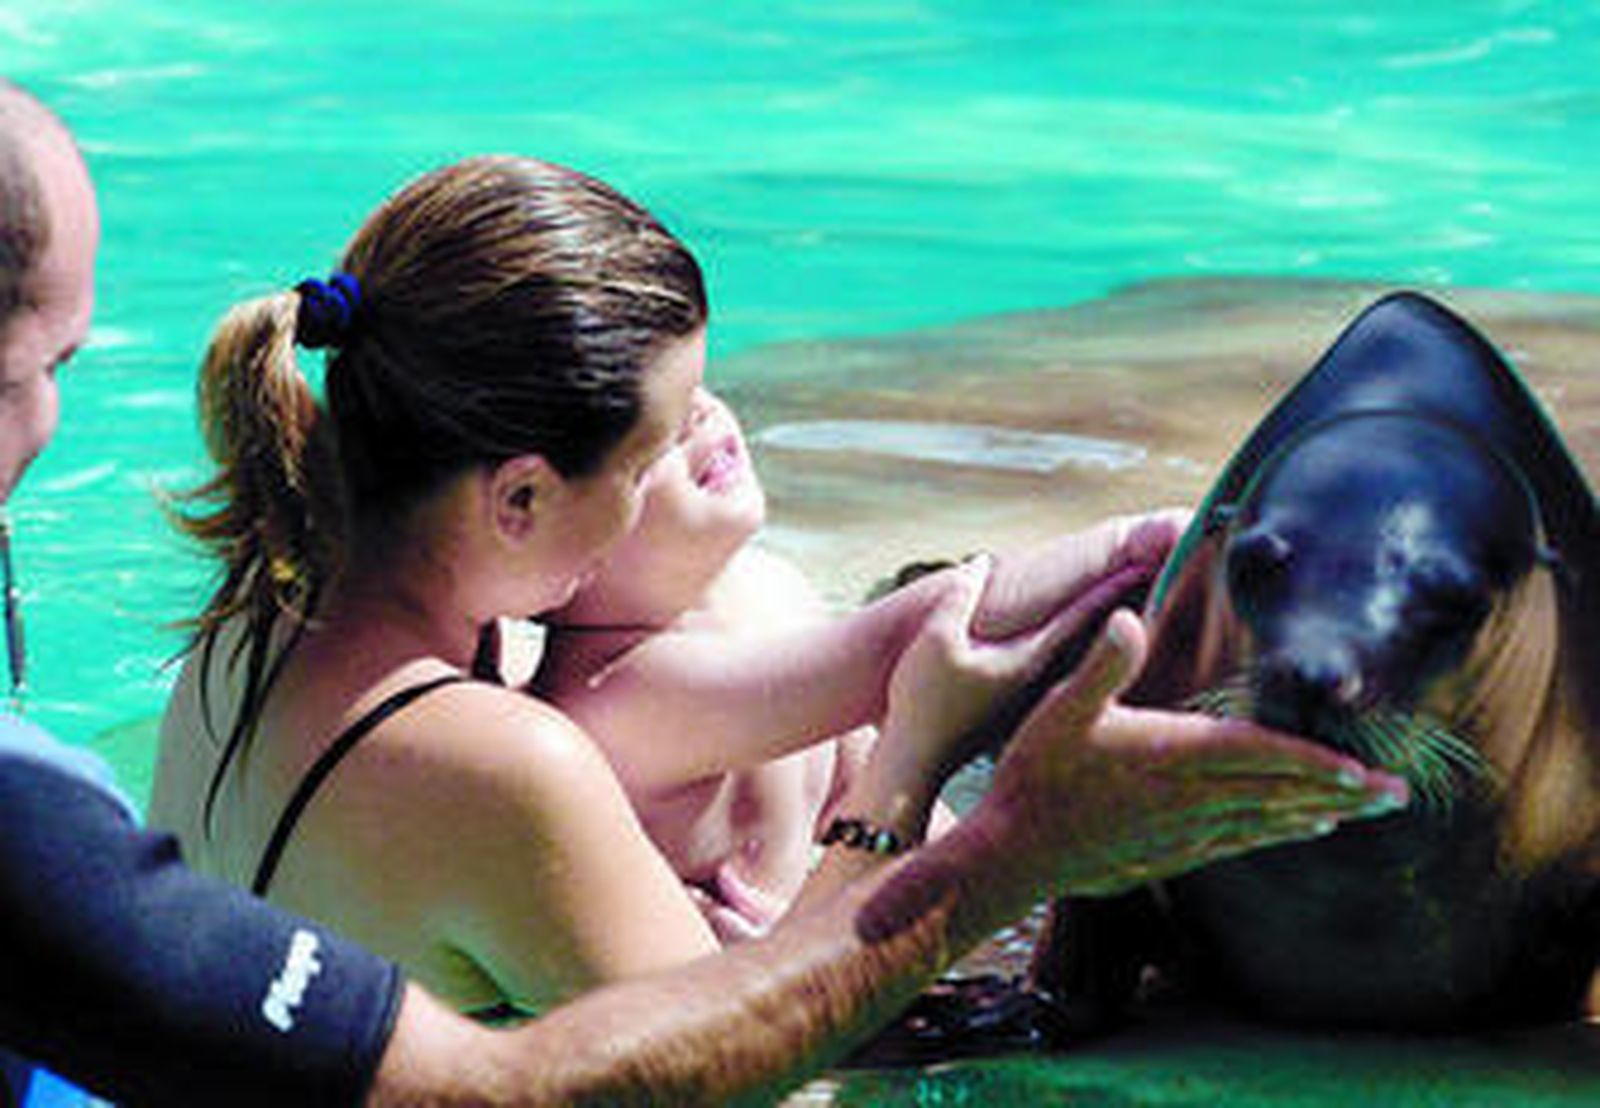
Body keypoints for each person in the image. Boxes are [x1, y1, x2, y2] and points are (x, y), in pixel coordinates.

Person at [0, 77, 1407, 1106]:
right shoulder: (493, 763)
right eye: (662, 443)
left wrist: (1166, 550)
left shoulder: (283, 598)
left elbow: (891, 640)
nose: (704, 445)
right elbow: (769, 1086)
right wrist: (913, 779)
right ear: (523, 501)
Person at [534, 382, 1187, 940]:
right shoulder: (619, 697)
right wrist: (1130, 542)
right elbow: (912, 639)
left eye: (695, 386)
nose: (699, 414)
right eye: (652, 438)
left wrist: (982, 874)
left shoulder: (769, 582)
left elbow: (857, 777)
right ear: (552, 556)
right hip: (770, 1000)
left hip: (822, 929)